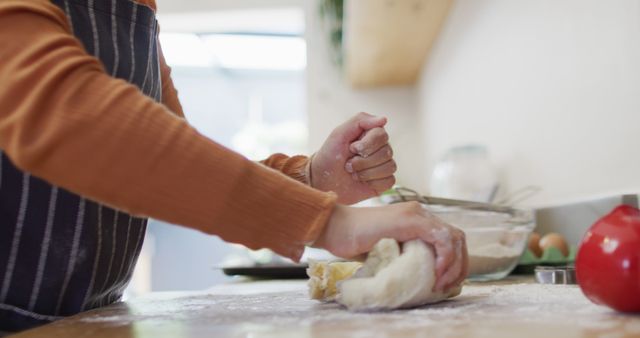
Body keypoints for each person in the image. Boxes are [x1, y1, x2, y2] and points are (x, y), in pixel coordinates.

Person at [0, 0, 467, 334]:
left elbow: (167, 158)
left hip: (84, 322)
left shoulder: (139, 10)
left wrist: (310, 180)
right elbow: (67, 117)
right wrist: (328, 222)